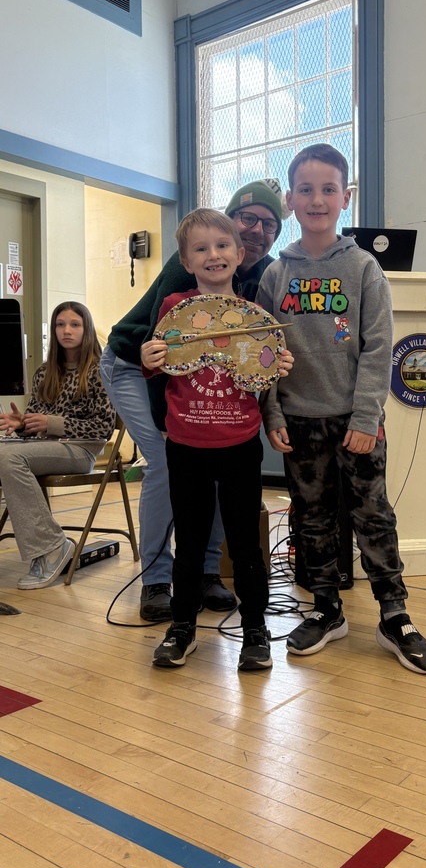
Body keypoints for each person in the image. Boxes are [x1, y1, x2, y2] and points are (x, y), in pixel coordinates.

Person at [257, 144, 426, 674]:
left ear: (346, 197)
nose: (318, 199)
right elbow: (263, 351)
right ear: (291, 198)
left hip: (355, 423)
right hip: (297, 420)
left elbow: (378, 348)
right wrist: (272, 414)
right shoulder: (277, 275)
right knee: (311, 519)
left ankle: (394, 615)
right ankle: (327, 609)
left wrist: (365, 419)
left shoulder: (364, 268)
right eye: (307, 190)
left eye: (329, 189)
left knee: (372, 516)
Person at [100, 178, 288, 622]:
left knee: (217, 461)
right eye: (248, 219)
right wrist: (167, 418)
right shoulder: (192, 265)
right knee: (168, 461)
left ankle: (206, 573)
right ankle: (156, 580)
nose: (257, 230)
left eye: (270, 223)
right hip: (135, 362)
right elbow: (157, 344)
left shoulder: (259, 274)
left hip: (195, 379)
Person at [141, 208, 293, 672]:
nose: (214, 255)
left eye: (222, 246)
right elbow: (155, 365)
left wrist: (277, 368)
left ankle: (255, 630)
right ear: (186, 261)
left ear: (240, 253)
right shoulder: (172, 308)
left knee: (245, 543)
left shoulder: (255, 315)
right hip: (186, 443)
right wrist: (148, 357)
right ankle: (182, 627)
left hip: (240, 443)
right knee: (188, 542)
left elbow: (265, 376)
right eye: (201, 249)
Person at [0, 302, 115, 589]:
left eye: (74, 324)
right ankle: (49, 545)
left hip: (81, 450)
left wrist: (52, 424)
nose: (66, 330)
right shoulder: (44, 372)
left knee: (7, 457)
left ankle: (52, 547)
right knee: (5, 453)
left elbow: (104, 428)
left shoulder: (100, 370)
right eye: (60, 324)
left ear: (86, 329)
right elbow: (35, 426)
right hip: (44, 449)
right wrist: (23, 424)